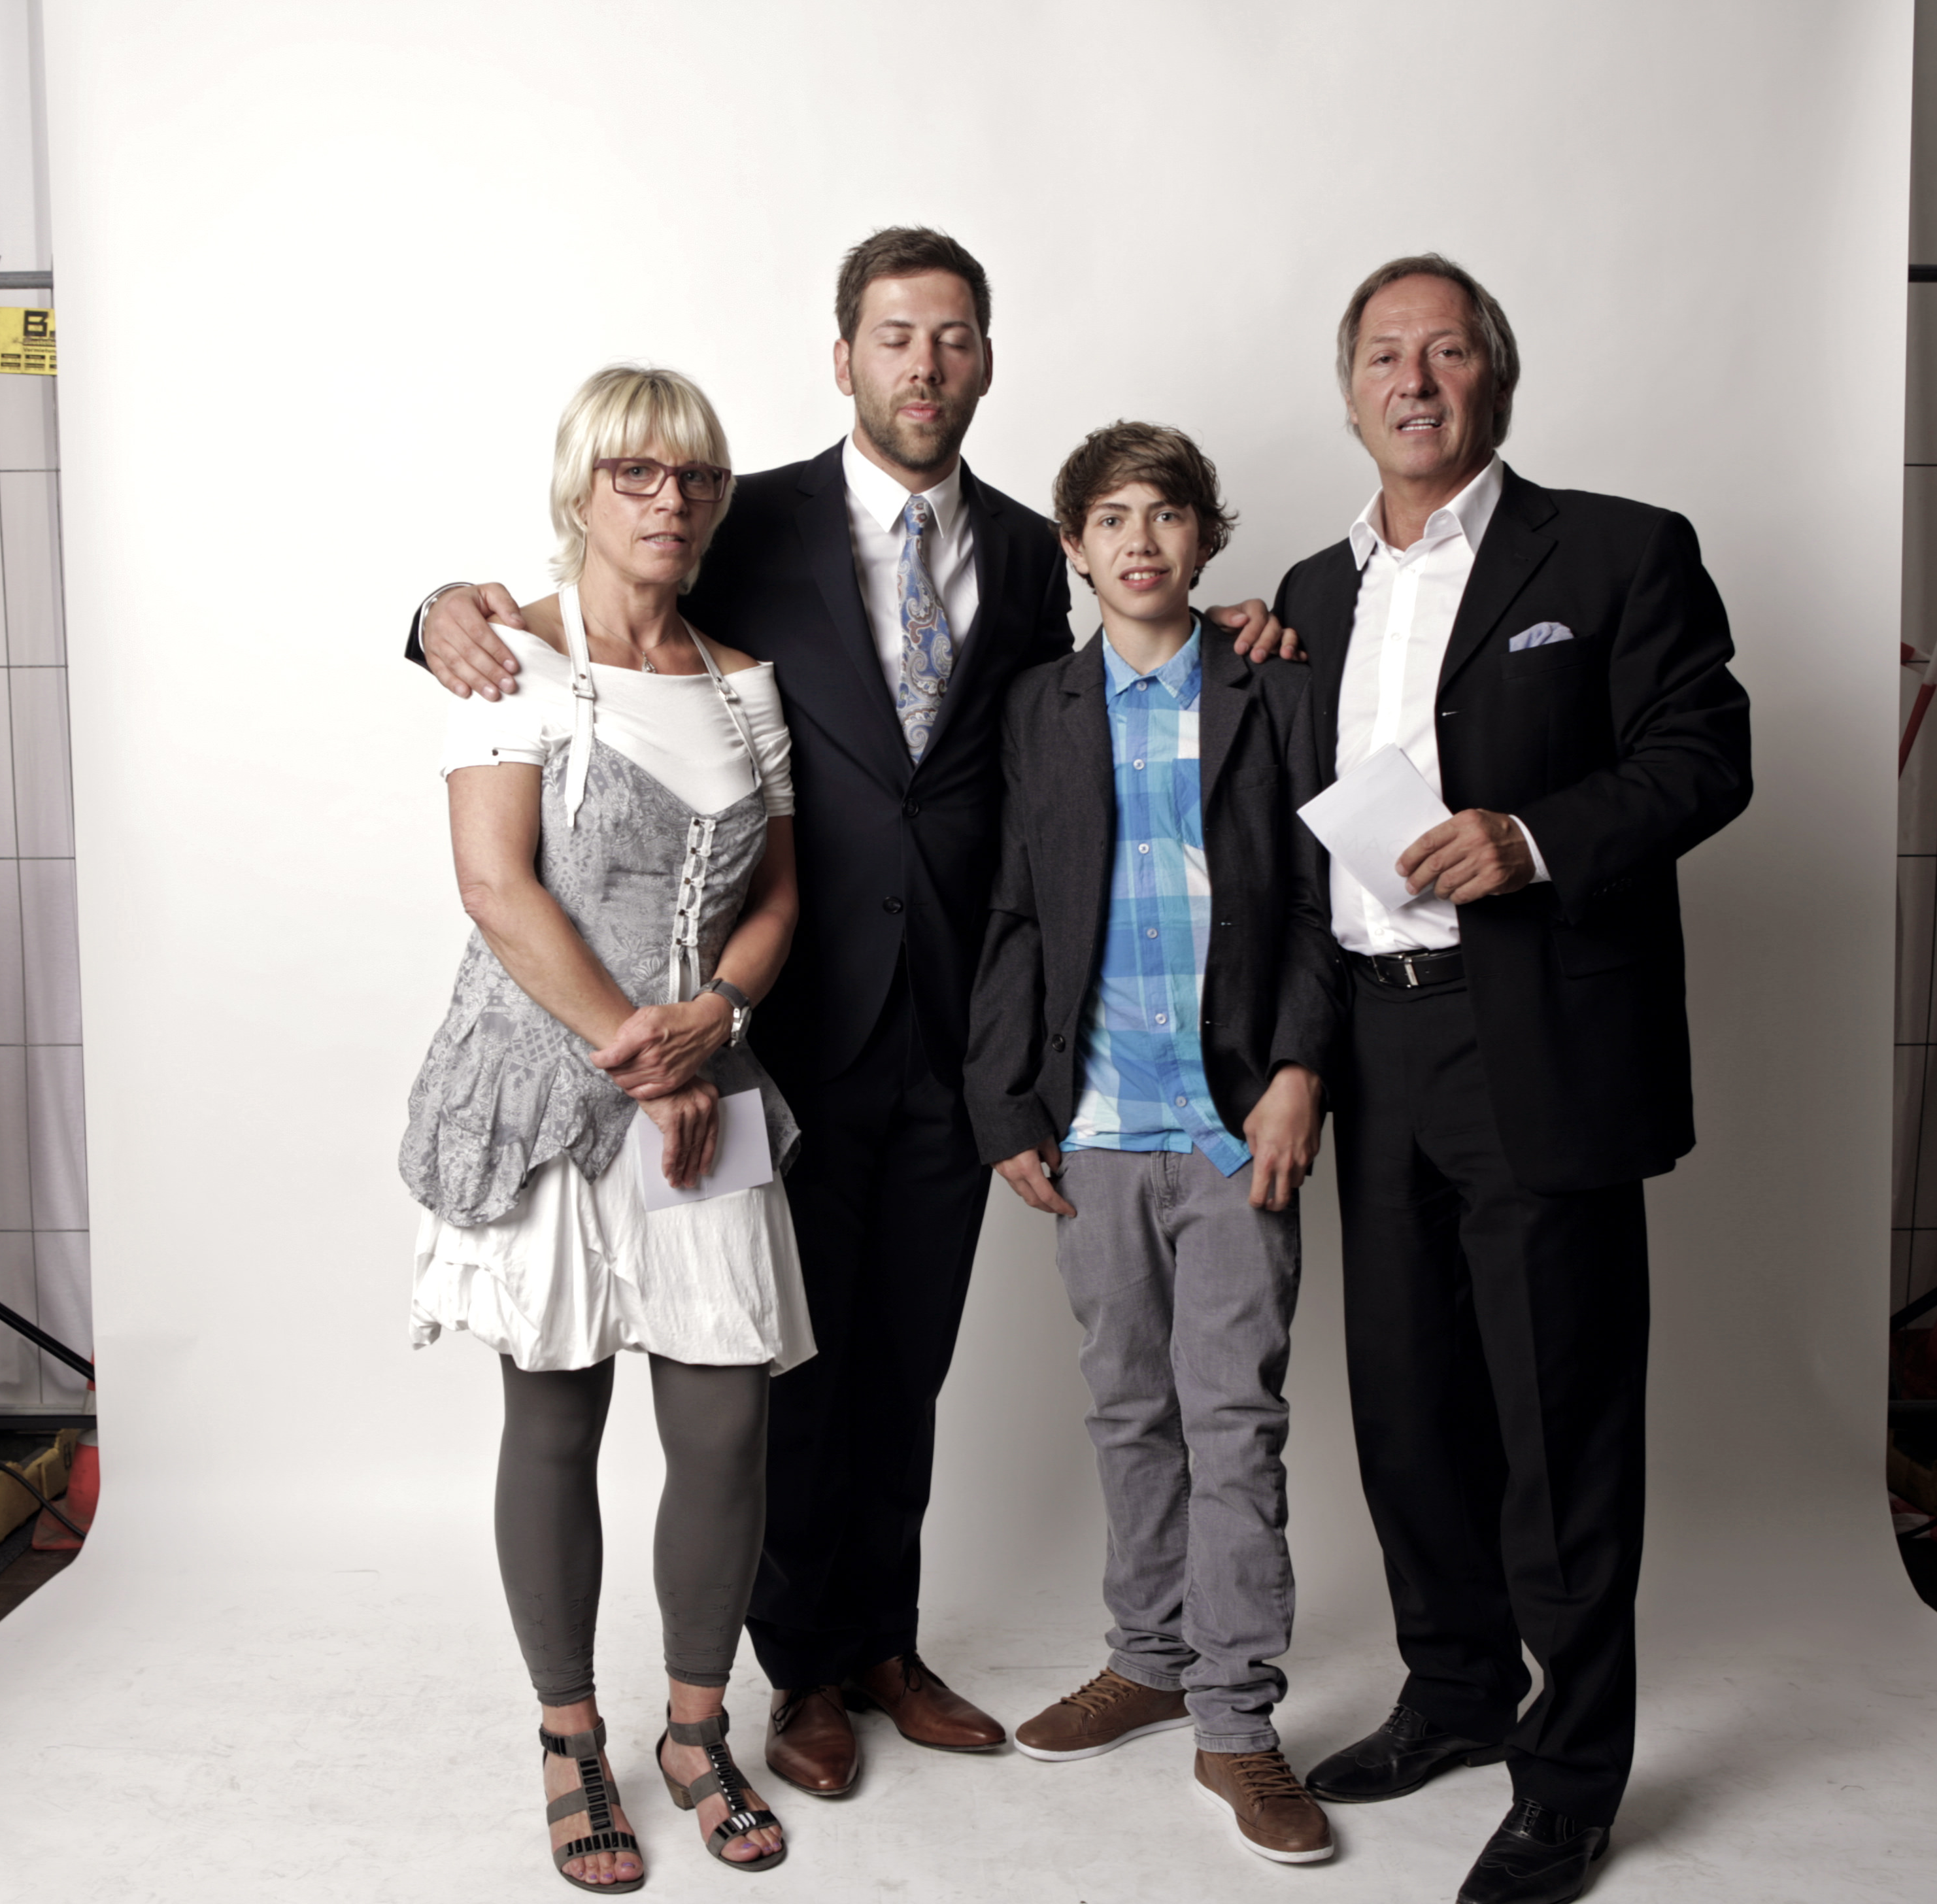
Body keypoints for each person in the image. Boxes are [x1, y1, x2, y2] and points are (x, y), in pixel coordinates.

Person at [409, 228, 1293, 1796]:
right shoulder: (742, 518)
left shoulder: (1029, 546)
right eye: (895, 336)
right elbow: (591, 601)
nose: (924, 365)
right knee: (781, 1378)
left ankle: (885, 1640)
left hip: (955, 1022)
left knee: (905, 1360)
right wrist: (433, 608)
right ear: (844, 358)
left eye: (952, 337)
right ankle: (798, 1668)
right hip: (784, 1028)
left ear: (986, 360)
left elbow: (1096, 701)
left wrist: (1248, 630)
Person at [1274, 257, 1751, 1904]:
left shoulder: (1619, 550)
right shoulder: (1312, 589)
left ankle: (1570, 1778)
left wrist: (1533, 839)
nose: (1415, 380)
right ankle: (1458, 1693)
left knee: (1560, 1420)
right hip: (1374, 1041)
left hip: (1538, 1032)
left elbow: (1705, 756)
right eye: (1384, 356)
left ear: (1498, 375)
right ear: (1351, 391)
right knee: (1407, 1403)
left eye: (1448, 351)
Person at [403, 364, 806, 1890]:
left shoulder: (743, 680)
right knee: (557, 1412)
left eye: (695, 475)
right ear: (581, 487)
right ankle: (570, 1734)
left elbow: (778, 897)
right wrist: (646, 1056)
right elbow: (496, 886)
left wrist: (721, 1013)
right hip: (546, 1084)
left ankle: (698, 1729)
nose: (670, 499)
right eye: (637, 471)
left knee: (725, 1419)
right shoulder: (505, 654)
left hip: (709, 1074)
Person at [968, 424, 1342, 1864]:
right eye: (1112, 518)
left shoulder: (1274, 686)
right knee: (1129, 1409)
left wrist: (1300, 1070)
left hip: (1237, 1122)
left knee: (1233, 1420)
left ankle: (1237, 1722)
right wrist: (1009, 1104)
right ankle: (1150, 1657)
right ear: (1073, 546)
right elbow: (1015, 910)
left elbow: (1314, 897)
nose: (1141, 540)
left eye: (1168, 514)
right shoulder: (1041, 705)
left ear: (1206, 536)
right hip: (1095, 1127)